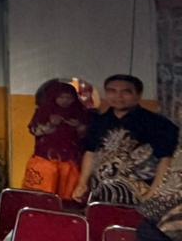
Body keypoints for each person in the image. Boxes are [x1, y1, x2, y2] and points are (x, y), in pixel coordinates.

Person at [73, 74, 178, 205]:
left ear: (138, 95)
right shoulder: (99, 121)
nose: (118, 96)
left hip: (141, 195)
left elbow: (166, 159)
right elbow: (90, 152)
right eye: (112, 91)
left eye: (126, 92)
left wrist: (154, 193)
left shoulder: (157, 124)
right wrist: (82, 183)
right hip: (101, 193)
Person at [24, 79, 90, 199]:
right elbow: (34, 131)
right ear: (54, 97)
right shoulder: (44, 111)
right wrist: (50, 124)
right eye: (61, 97)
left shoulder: (79, 112)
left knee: (66, 194)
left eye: (69, 98)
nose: (65, 101)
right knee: (42, 194)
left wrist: (78, 127)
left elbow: (86, 136)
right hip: (45, 159)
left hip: (69, 160)